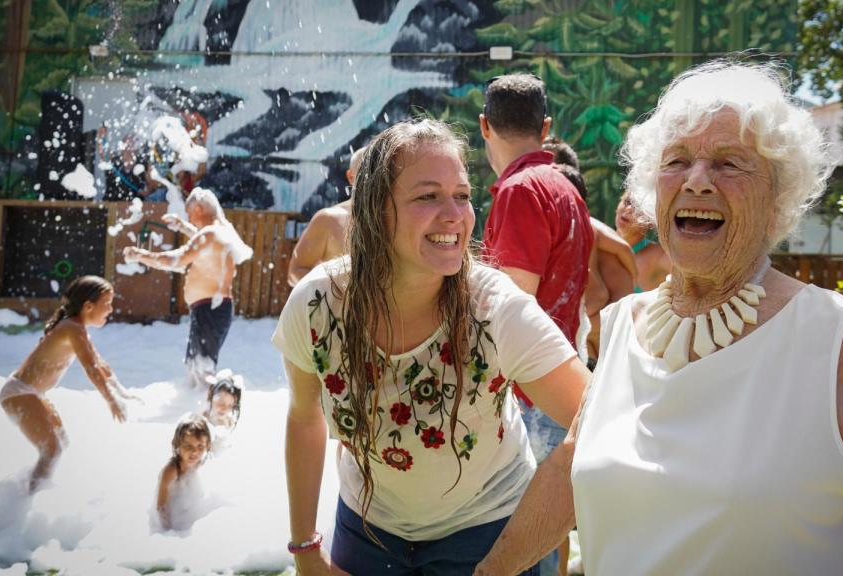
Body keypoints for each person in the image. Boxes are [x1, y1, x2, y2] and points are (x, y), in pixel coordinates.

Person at [475, 61, 843, 575]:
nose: (697, 180)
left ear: (776, 200)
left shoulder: (839, 339)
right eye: (677, 161)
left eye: (729, 163)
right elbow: (570, 468)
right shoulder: (624, 323)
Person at [272, 118, 588, 574]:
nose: (455, 214)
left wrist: (506, 561)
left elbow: (597, 423)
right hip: (366, 529)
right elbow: (304, 418)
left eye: (462, 195)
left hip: (487, 527)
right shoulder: (317, 305)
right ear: (374, 209)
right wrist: (305, 548)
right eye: (427, 196)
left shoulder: (495, 310)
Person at [480, 74, 594, 575]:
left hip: (528, 393)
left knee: (519, 546)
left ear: (484, 126)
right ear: (545, 128)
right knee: (542, 543)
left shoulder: (520, 191)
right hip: (557, 381)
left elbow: (514, 306)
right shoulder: (565, 190)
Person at [0, 275, 129, 492]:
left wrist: (121, 391)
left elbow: (101, 365)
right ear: (88, 306)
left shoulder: (77, 329)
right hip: (19, 392)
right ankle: (26, 502)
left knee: (60, 442)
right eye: (107, 304)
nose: (111, 309)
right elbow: (91, 368)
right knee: (52, 449)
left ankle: (27, 489)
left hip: (31, 393)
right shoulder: (73, 328)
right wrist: (110, 400)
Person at [123, 188, 253, 388]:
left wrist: (141, 255)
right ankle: (199, 410)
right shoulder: (221, 232)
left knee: (202, 374)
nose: (190, 218)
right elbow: (206, 240)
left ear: (199, 209)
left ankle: (214, 412)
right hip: (213, 308)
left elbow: (177, 260)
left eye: (189, 213)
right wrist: (183, 227)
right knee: (196, 370)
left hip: (211, 309)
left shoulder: (211, 233)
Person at [543, 137, 637, 361]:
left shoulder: (582, 225)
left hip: (607, 324)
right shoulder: (575, 227)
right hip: (603, 327)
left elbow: (598, 292)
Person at [287, 146, 366, 286]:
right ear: (351, 177)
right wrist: (337, 292)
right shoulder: (330, 220)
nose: (373, 180)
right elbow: (296, 272)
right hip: (341, 306)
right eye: (365, 173)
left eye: (380, 174)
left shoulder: (401, 218)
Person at [155, 413, 211, 532]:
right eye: (188, 446)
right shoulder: (172, 471)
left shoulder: (197, 463)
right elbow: (161, 507)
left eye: (200, 446)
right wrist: (168, 531)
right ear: (177, 445)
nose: (195, 452)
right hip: (174, 522)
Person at [615, 189, 670, 292]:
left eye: (639, 208)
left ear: (650, 222)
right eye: (627, 201)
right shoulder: (598, 243)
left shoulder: (658, 257)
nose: (629, 209)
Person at [203, 369, 242, 451]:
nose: (225, 409)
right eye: (221, 403)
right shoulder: (202, 422)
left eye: (230, 405)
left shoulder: (230, 422)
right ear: (211, 397)